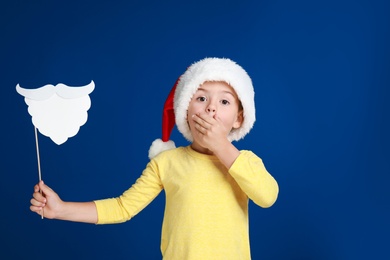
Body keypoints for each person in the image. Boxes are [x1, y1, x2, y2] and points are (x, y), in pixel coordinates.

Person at [30, 57, 279, 260]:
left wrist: (221, 146)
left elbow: (267, 196)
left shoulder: (244, 162)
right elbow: (123, 207)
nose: (211, 108)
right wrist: (61, 209)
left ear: (238, 118)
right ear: (185, 109)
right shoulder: (167, 162)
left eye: (224, 101)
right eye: (201, 98)